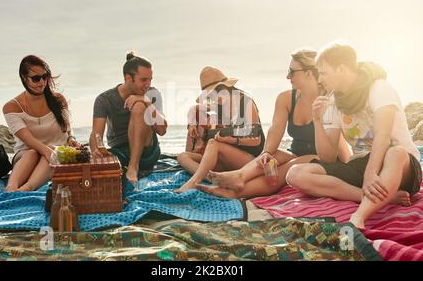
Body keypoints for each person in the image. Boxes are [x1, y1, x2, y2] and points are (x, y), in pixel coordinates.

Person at [285, 42, 422, 229]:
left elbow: (383, 134)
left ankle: (359, 216)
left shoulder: (379, 88)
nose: (319, 80)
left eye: (323, 73)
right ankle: (378, 197)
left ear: (341, 69)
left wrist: (371, 172)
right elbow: (327, 157)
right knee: (295, 174)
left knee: (395, 152)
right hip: (362, 165)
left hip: (401, 166)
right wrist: (317, 120)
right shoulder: (333, 101)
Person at [197, 49, 350, 198]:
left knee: (290, 165)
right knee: (273, 157)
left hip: (321, 160)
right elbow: (275, 130)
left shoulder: (328, 101)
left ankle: (237, 191)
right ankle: (239, 177)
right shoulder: (286, 99)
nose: (287, 76)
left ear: (309, 73)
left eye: (292, 71)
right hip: (295, 153)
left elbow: (339, 144)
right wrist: (266, 154)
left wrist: (349, 169)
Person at [176, 66, 266, 193]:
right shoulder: (219, 105)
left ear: (226, 87)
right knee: (183, 156)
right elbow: (195, 108)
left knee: (214, 144)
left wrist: (232, 141)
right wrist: (191, 124)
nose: (214, 96)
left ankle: (194, 181)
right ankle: (213, 179)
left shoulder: (245, 102)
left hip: (251, 161)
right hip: (228, 160)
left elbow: (257, 140)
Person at [3, 55, 79, 192]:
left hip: (54, 156)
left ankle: (26, 189)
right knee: (33, 152)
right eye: (36, 78)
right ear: (24, 78)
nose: (42, 82)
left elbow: (68, 129)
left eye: (45, 77)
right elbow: (29, 140)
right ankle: (11, 188)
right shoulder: (11, 107)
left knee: (52, 152)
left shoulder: (58, 100)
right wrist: (49, 152)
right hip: (26, 157)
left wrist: (71, 139)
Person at [90, 52, 167, 185]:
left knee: (139, 106)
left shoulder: (152, 93)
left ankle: (133, 167)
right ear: (128, 78)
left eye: (150, 79)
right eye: (143, 80)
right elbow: (96, 134)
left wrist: (146, 102)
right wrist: (95, 150)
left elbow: (162, 130)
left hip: (147, 153)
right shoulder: (104, 99)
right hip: (120, 153)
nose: (148, 84)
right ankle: (128, 166)